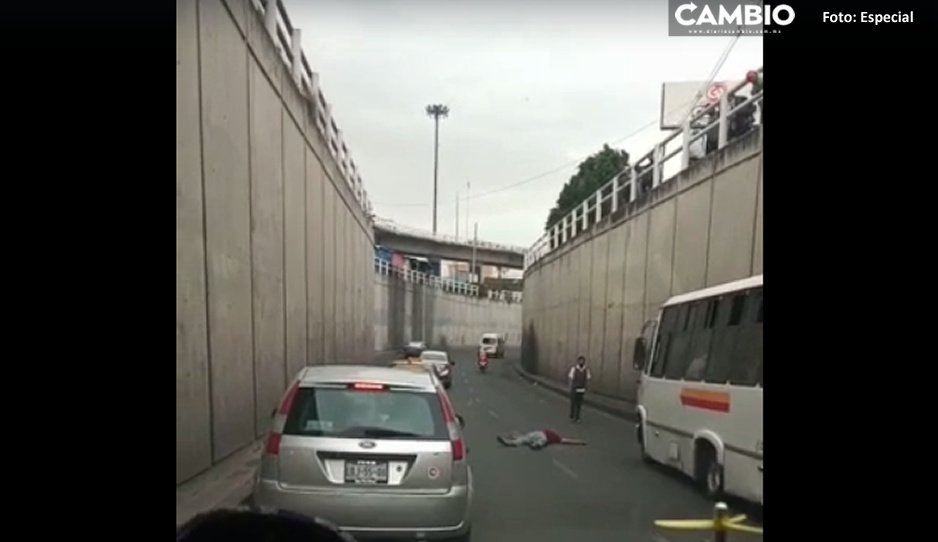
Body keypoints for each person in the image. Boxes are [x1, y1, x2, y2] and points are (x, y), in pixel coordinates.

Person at [496, 429, 586, 450]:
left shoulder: (556, 438)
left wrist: (580, 443)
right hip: (538, 436)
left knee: (523, 440)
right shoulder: (558, 438)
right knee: (524, 439)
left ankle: (509, 441)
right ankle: (510, 440)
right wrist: (580, 443)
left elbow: (568, 441)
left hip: (541, 436)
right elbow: (568, 441)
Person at [568, 355, 591, 423]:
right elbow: (570, 378)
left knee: (579, 403)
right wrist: (570, 387)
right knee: (573, 402)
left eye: (583, 361)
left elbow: (588, 379)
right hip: (574, 388)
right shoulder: (574, 369)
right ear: (578, 362)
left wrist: (588, 388)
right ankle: (572, 416)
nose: (581, 362)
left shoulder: (586, 370)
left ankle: (577, 417)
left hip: (581, 388)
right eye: (580, 361)